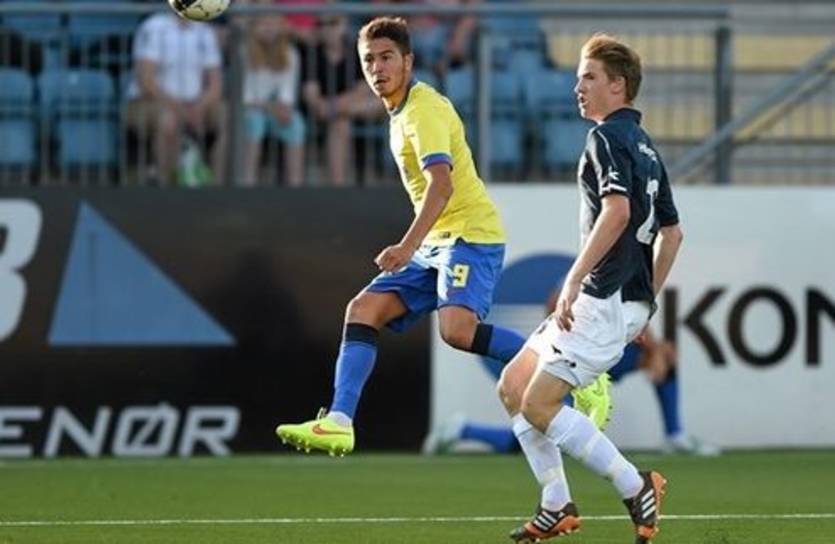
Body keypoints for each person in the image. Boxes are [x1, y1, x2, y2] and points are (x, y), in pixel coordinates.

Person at [275, 17, 610, 457]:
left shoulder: (423, 109)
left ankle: (574, 370)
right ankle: (339, 422)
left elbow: (442, 185)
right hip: (437, 241)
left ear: (408, 61)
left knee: (457, 330)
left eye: (387, 57)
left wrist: (407, 246)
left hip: (470, 234)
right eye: (369, 60)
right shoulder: (399, 112)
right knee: (363, 310)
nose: (377, 68)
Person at [495, 33, 683, 543]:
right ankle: (556, 502)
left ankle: (636, 485)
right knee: (514, 385)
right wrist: (645, 303)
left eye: (589, 77)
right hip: (622, 299)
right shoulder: (646, 147)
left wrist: (575, 279)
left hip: (600, 298)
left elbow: (617, 212)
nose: (577, 87)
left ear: (617, 85)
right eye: (579, 77)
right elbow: (672, 234)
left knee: (538, 405)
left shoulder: (604, 139)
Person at [423, 292, 719, 457]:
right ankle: (463, 430)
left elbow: (637, 308)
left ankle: (675, 435)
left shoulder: (633, 257)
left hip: (603, 353)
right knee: (543, 430)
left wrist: (653, 349)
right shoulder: (597, 256)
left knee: (665, 356)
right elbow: (556, 302)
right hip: (572, 355)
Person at [126, 11, 227, 185]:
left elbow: (215, 85)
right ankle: (169, 186)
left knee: (233, 118)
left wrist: (198, 108)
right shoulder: (153, 27)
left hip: (195, 103)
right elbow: (147, 83)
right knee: (169, 121)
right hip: (150, 101)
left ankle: (219, 185)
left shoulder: (205, 31)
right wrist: (181, 109)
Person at [301, 14, 383, 186]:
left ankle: (339, 185)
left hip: (346, 107)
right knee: (341, 123)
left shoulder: (356, 51)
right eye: (322, 24)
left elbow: (362, 90)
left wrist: (334, 106)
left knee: (381, 101)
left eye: (333, 23)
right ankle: (338, 186)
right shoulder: (312, 53)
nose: (328, 29)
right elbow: (312, 96)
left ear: (343, 26)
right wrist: (330, 107)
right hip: (324, 112)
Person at [241, 13, 306, 186]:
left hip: (275, 109)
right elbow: (246, 98)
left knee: (296, 123)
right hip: (250, 109)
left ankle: (296, 185)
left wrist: (283, 108)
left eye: (273, 24)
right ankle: (247, 182)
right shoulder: (244, 53)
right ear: (254, 29)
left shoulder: (291, 54)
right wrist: (271, 107)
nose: (269, 28)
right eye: (263, 24)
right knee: (254, 123)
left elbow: (287, 94)